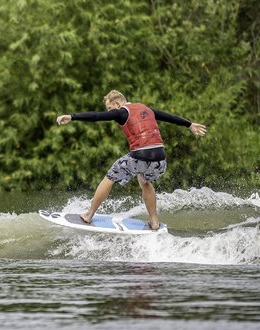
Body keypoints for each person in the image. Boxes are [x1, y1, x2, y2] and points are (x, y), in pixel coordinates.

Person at [56, 90, 207, 230]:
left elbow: (97, 116)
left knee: (110, 177)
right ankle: (154, 222)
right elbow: (169, 117)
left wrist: (72, 116)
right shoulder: (147, 109)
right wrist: (189, 124)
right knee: (144, 181)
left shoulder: (122, 112)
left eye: (110, 108)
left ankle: (89, 215)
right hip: (160, 160)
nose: (111, 112)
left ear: (117, 103)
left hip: (140, 156)